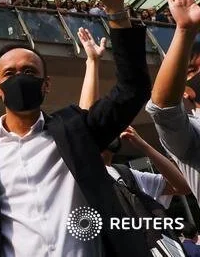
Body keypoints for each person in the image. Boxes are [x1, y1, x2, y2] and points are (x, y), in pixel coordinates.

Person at [0, 0, 151, 256]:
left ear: (46, 85)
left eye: (30, 72)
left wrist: (116, 11)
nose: (20, 78)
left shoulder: (77, 129)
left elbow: (132, 90)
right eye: (10, 74)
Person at [76, 27, 190, 206]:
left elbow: (182, 186)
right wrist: (92, 62)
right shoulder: (76, 174)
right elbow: (86, 120)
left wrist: (144, 146)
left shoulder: (128, 176)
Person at [146, 0, 200, 200]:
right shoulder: (191, 135)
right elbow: (163, 108)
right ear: (184, 90)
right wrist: (185, 29)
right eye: (193, 70)